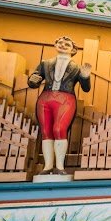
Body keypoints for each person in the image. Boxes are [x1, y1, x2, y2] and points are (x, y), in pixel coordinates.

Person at [28, 36, 91, 175]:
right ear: (55, 45)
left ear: (73, 49)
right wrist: (32, 80)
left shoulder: (76, 67)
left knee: (59, 129)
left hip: (65, 99)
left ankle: (60, 167)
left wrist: (85, 77)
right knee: (46, 132)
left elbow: (86, 88)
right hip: (45, 98)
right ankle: (48, 166)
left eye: (66, 44)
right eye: (60, 43)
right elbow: (34, 81)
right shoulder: (45, 64)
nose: (62, 45)